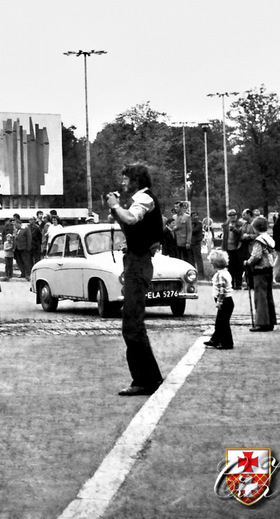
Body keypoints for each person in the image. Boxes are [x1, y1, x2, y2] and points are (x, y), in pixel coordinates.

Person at [106, 164, 164, 396]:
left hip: (138, 263)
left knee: (132, 324)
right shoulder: (145, 198)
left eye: (126, 178)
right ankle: (150, 377)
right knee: (133, 323)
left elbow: (130, 219)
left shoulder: (144, 199)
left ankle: (144, 380)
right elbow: (132, 226)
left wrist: (116, 206)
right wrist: (115, 210)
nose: (123, 181)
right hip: (137, 261)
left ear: (136, 180)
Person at [244, 216, 276, 332]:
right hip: (269, 269)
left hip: (260, 270)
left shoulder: (259, 240)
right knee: (268, 296)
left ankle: (262, 323)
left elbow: (256, 256)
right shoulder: (269, 238)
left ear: (256, 228)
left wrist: (248, 262)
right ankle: (270, 321)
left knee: (260, 296)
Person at [204, 249, 234, 350]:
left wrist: (219, 302)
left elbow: (222, 291)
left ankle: (227, 343)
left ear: (215, 264)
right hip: (228, 301)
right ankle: (215, 339)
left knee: (223, 323)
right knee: (220, 322)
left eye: (212, 263)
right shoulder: (226, 273)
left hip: (224, 301)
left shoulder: (220, 275)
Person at [225, 209, 243, 289]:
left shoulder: (240, 224)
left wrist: (234, 229)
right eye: (230, 215)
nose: (232, 217)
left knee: (239, 267)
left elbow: (241, 233)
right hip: (228, 248)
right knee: (230, 267)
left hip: (237, 248)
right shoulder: (226, 224)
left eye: (234, 215)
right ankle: (231, 284)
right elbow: (224, 238)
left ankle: (238, 284)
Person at [190, 211, 205, 276]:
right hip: (190, 243)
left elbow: (194, 230)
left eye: (196, 216)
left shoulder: (199, 223)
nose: (195, 217)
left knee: (198, 258)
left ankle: (201, 273)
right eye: (193, 216)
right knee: (191, 258)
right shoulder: (190, 223)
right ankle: (193, 272)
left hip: (196, 243)